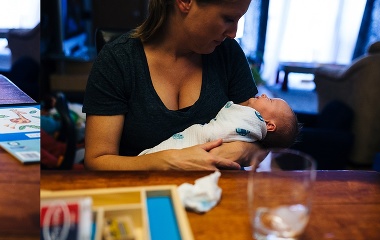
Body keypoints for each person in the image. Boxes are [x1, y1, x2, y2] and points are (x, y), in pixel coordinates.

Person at [83, 0, 258, 170]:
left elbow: (262, 132)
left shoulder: (229, 53)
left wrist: (244, 149)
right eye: (228, 19)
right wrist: (165, 162)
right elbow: (97, 160)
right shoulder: (118, 61)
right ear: (185, 2)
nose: (233, 33)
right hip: (144, 194)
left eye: (239, 19)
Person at [139, 95, 299, 155]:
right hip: (179, 148)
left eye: (270, 100)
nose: (264, 95)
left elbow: (218, 133)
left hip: (196, 141)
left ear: (269, 126)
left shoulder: (251, 122)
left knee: (156, 154)